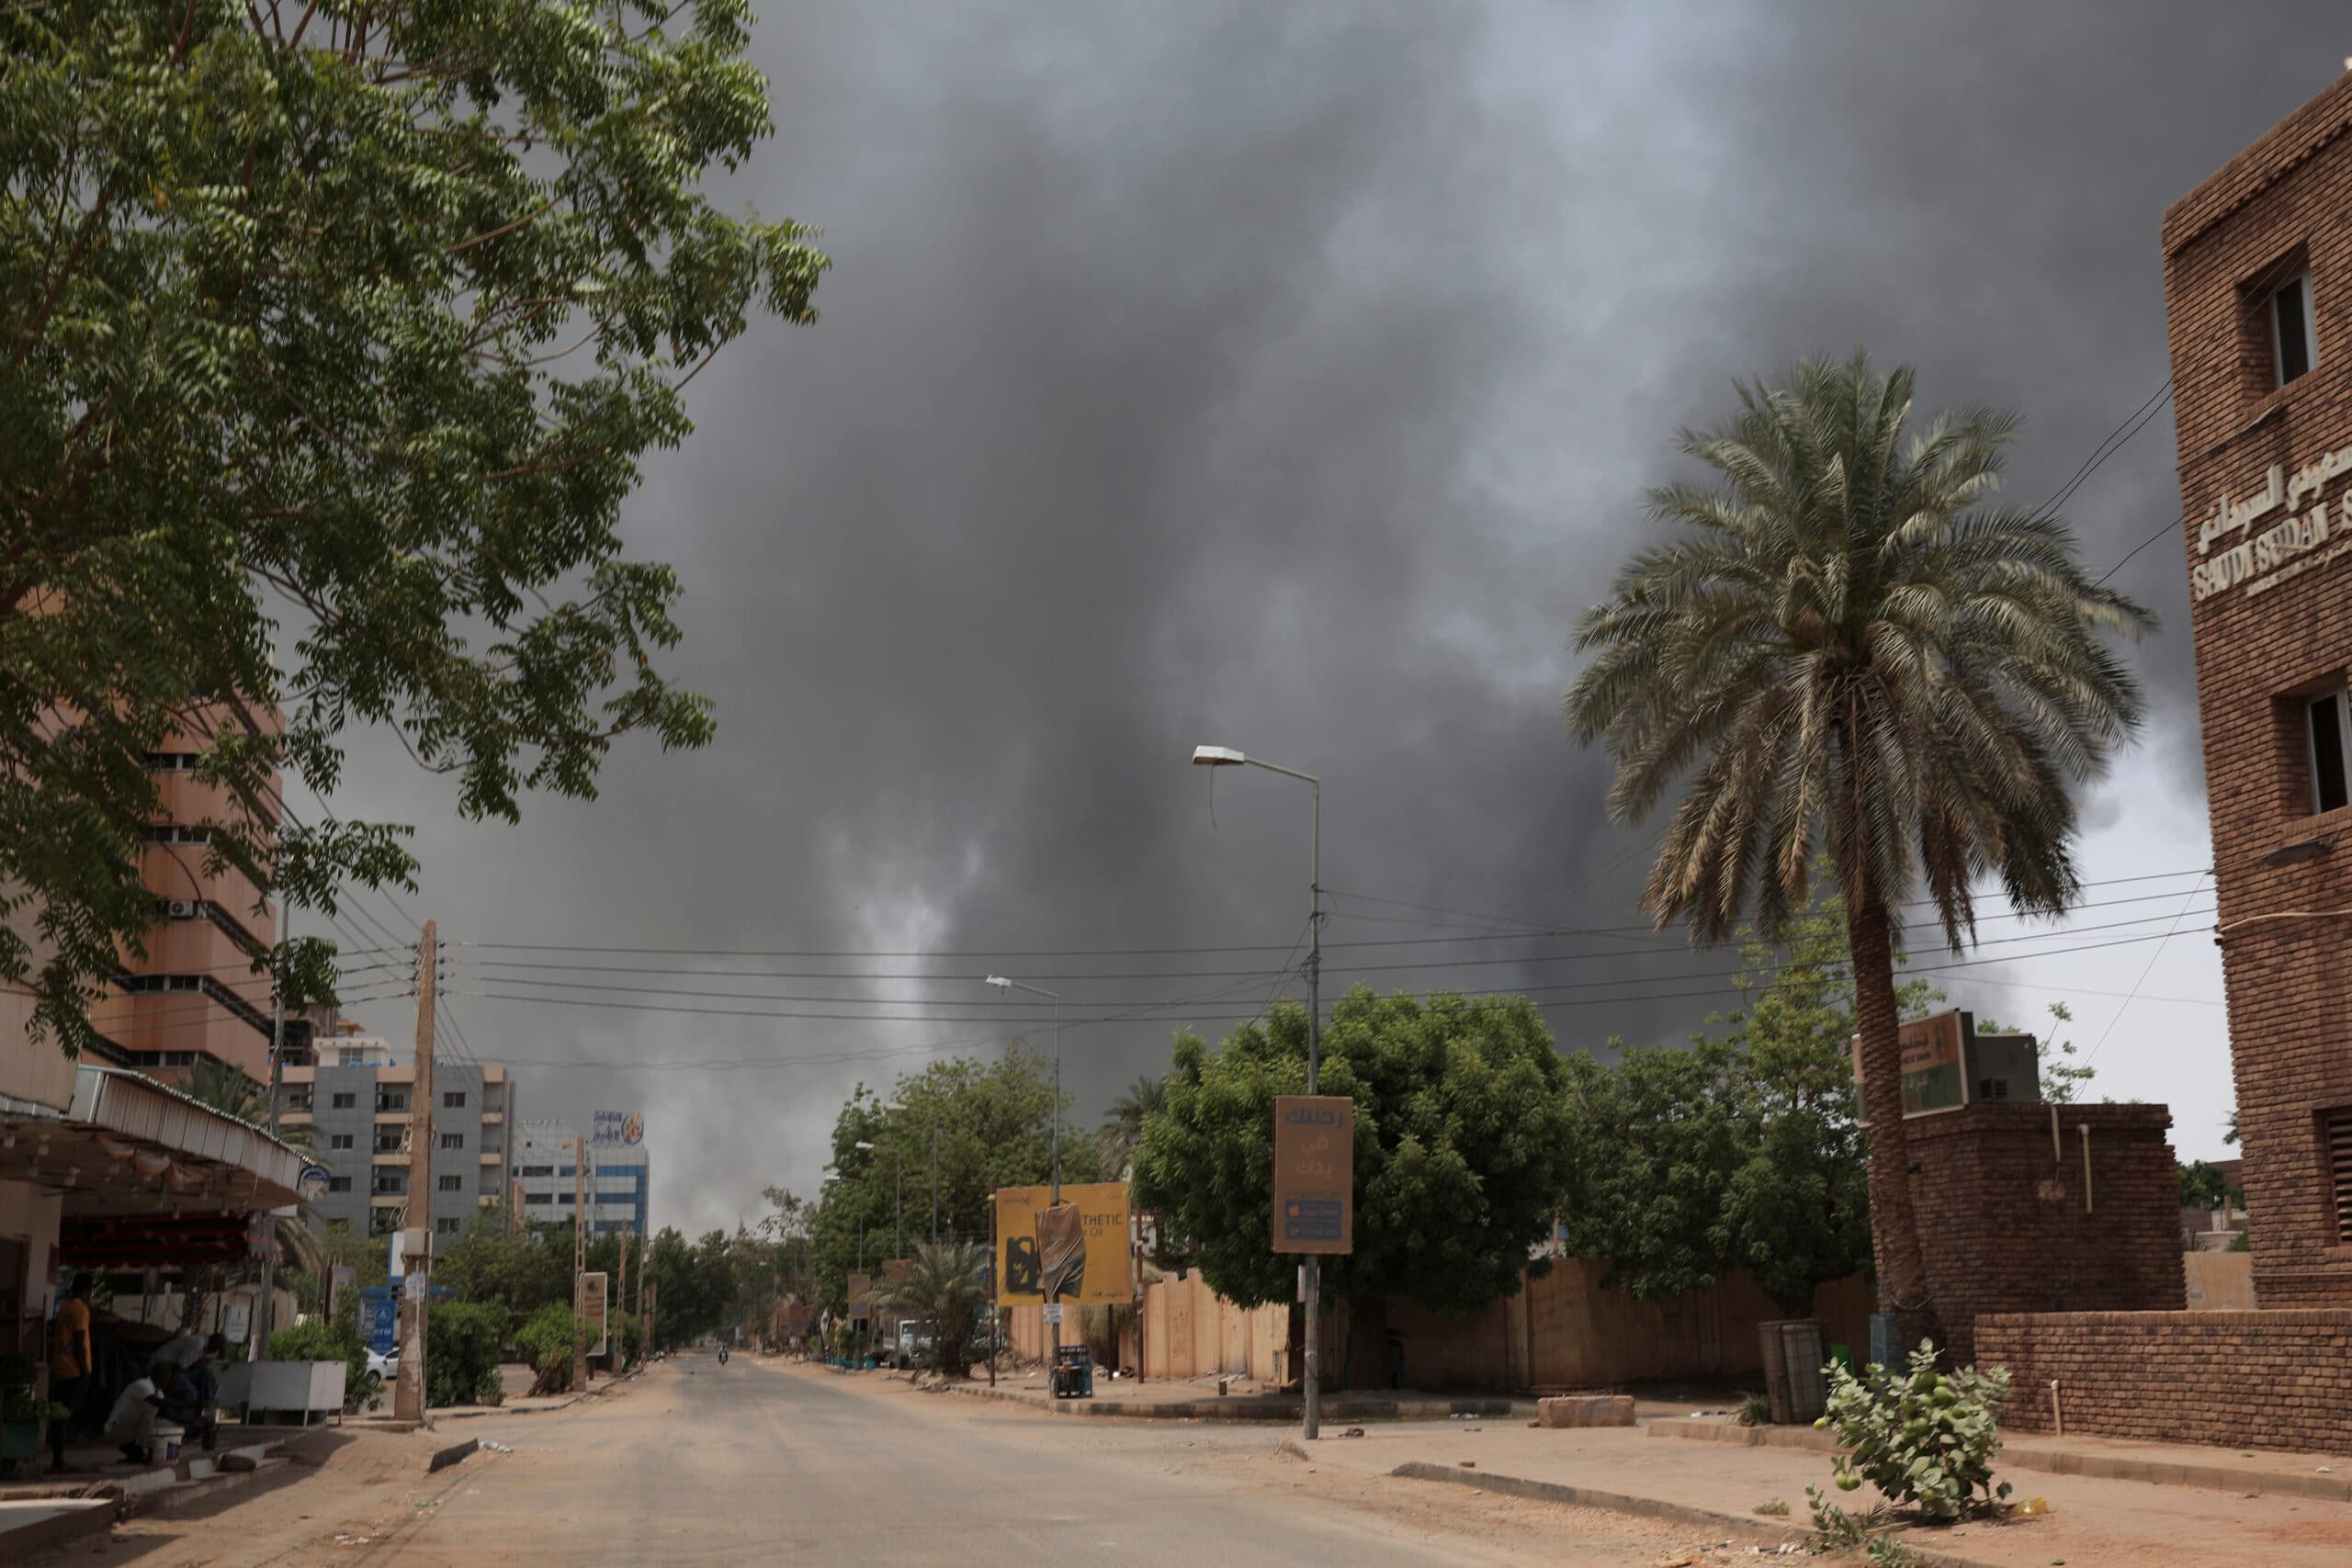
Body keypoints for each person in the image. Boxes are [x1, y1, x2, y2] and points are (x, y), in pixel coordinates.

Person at [47, 1277, 94, 1471]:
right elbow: (79, 1341)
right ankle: (58, 1459)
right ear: (86, 1291)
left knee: (61, 1413)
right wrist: (85, 1371)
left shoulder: (64, 1308)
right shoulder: (81, 1310)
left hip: (60, 1366)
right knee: (64, 1414)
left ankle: (58, 1457)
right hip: (73, 1368)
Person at [103, 1359, 175, 1465]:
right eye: (166, 1376)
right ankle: (137, 1448)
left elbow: (168, 1413)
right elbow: (156, 1402)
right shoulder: (142, 1385)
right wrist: (188, 1404)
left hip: (128, 1431)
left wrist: (191, 1421)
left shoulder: (158, 1392)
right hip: (114, 1429)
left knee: (164, 1424)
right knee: (152, 1407)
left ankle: (134, 1450)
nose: (167, 1379)